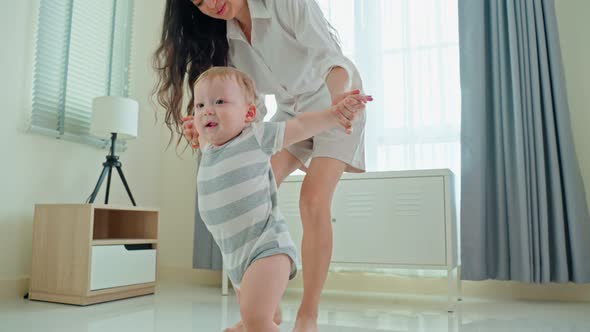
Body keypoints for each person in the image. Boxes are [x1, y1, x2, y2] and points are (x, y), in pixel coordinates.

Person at [153, 1, 367, 331]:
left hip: (335, 105)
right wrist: (209, 132)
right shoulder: (226, 40)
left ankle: (307, 315)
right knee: (250, 183)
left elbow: (331, 59)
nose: (211, 3)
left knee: (313, 200)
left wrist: (340, 101)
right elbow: (248, 113)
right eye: (199, 2)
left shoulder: (285, 5)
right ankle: (266, 304)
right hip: (291, 112)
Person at [192, 66, 370, 332]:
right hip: (235, 255)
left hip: (266, 249)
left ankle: (261, 322)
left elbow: (300, 125)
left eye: (219, 102)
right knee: (256, 315)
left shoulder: (256, 137)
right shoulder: (209, 149)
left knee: (256, 318)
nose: (207, 110)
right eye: (200, 104)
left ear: (249, 113)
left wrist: (334, 115)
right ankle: (263, 319)